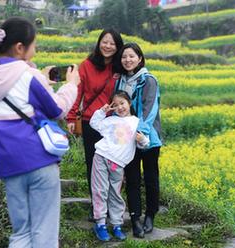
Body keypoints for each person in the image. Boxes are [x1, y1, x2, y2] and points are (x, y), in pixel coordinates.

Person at [0, 17, 79, 248]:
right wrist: (71, 85)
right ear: (20, 47)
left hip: (9, 165)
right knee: (45, 234)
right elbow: (57, 110)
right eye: (34, 43)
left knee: (21, 233)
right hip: (39, 161)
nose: (36, 48)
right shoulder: (27, 75)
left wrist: (40, 78)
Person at [66, 29, 124, 220]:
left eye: (112, 43)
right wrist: (71, 117)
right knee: (94, 165)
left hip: (114, 124)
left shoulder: (119, 67)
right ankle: (97, 207)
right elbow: (78, 92)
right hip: (91, 122)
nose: (108, 46)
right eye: (104, 42)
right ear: (99, 43)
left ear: (118, 47)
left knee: (114, 165)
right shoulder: (87, 65)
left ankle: (113, 206)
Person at [114, 43, 163, 238]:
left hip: (147, 138)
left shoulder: (149, 80)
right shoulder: (120, 81)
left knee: (151, 178)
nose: (127, 60)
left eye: (131, 56)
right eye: (124, 57)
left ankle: (150, 215)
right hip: (127, 138)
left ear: (140, 58)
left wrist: (139, 133)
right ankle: (135, 218)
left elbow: (150, 110)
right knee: (132, 178)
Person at [90, 90, 149, 242]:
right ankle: (100, 224)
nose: (120, 108)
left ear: (129, 103)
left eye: (122, 103)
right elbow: (94, 123)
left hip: (118, 163)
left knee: (115, 193)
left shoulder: (136, 121)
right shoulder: (110, 120)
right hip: (101, 156)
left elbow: (145, 143)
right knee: (100, 190)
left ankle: (117, 224)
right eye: (115, 105)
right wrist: (103, 111)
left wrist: (142, 139)